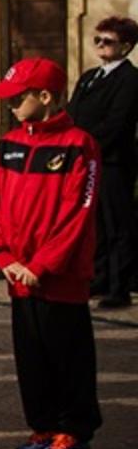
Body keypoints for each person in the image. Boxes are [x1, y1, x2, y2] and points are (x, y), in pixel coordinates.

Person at [0, 57, 103, 449]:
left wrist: (42, 264)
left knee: (67, 355)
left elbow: (77, 213)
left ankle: (75, 430)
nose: (11, 105)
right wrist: (4, 257)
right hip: (18, 275)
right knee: (31, 357)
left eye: (18, 97)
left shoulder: (78, 145)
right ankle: (44, 426)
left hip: (59, 278)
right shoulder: (10, 144)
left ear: (45, 96)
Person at [69, 16, 138, 309]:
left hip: (112, 161)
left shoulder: (130, 79)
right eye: (97, 40)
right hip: (86, 160)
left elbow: (117, 122)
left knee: (116, 224)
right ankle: (98, 278)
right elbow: (73, 112)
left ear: (126, 46)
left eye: (107, 41)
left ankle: (119, 285)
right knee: (93, 221)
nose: (100, 45)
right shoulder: (89, 77)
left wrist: (90, 146)